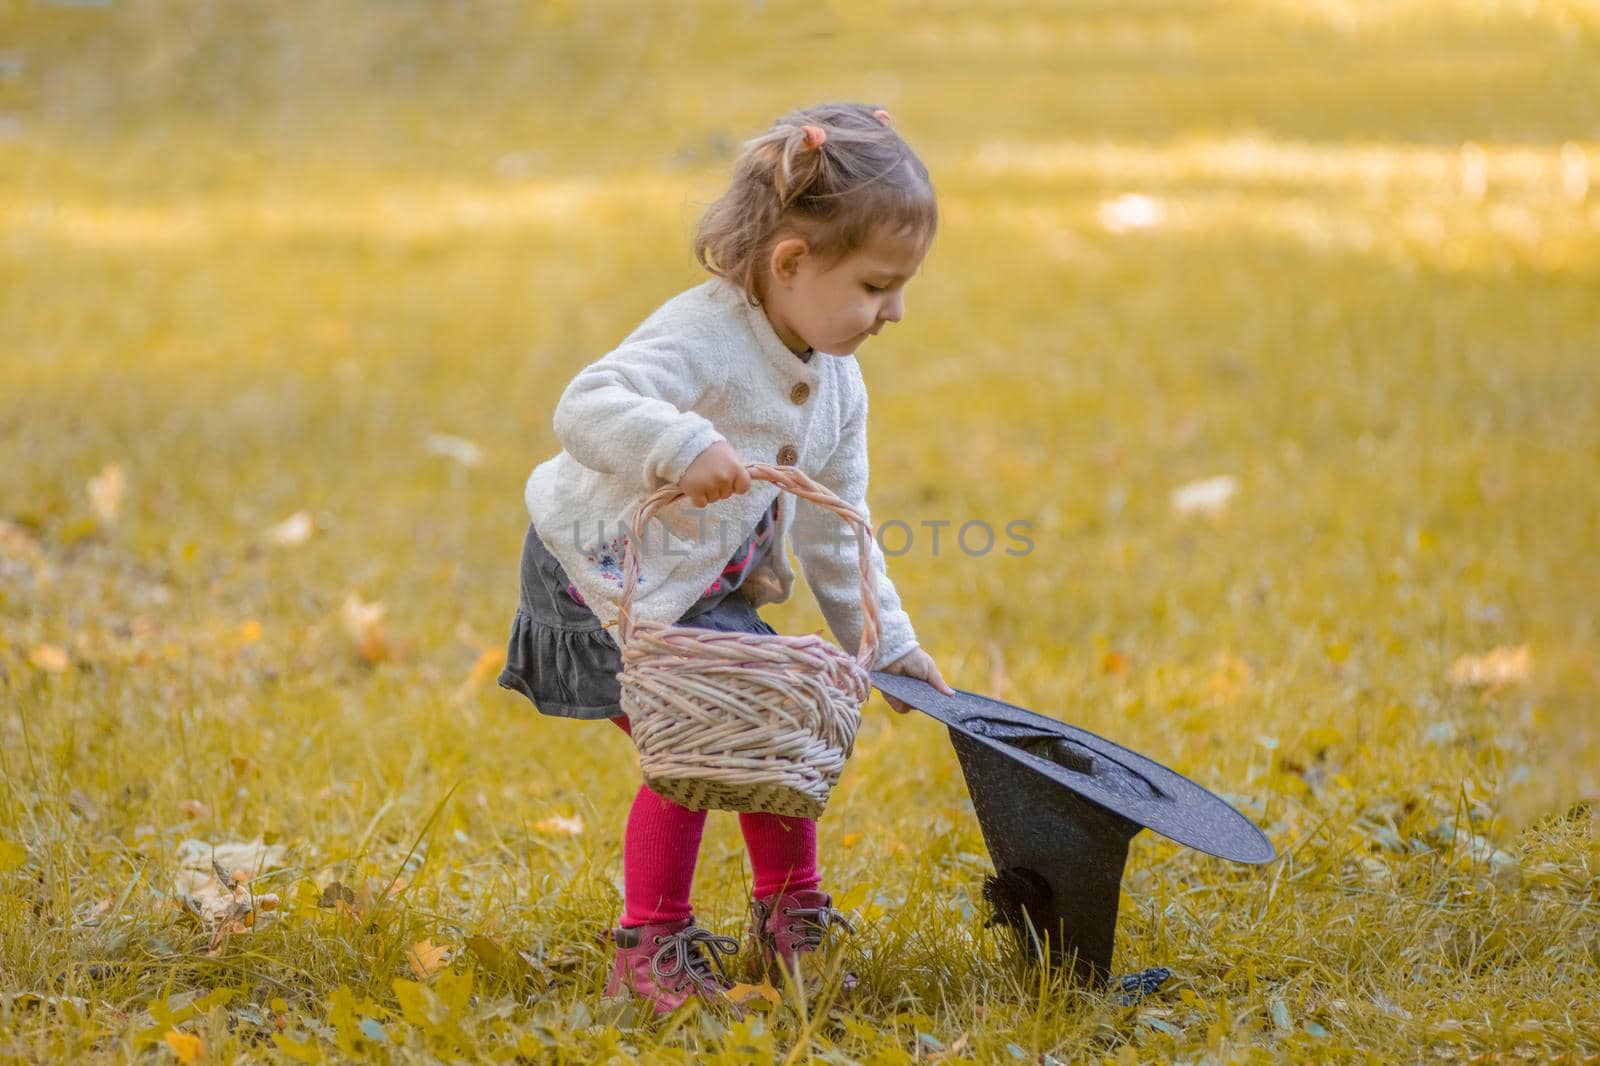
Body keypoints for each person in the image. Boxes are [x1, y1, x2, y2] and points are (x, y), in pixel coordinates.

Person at [497, 101, 956, 1016]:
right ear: (792, 262)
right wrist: (676, 445)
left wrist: (888, 643)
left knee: (770, 730)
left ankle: (791, 914)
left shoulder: (837, 384)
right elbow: (586, 405)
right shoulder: (702, 334)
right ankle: (650, 942)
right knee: (699, 751)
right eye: (874, 286)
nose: (894, 311)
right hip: (605, 576)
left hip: (698, 584)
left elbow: (837, 526)